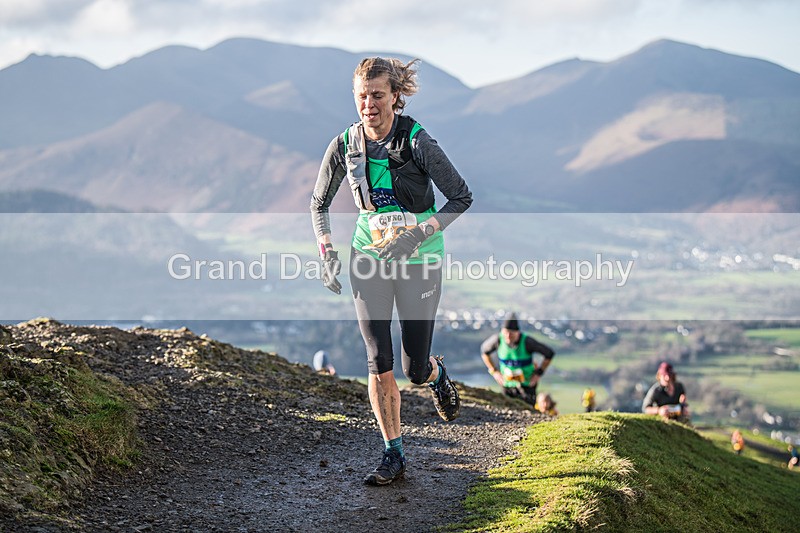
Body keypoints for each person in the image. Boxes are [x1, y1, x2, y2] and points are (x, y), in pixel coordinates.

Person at [310, 57, 473, 486]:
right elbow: (318, 203)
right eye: (361, 96)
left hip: (420, 259)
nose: (369, 105)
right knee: (377, 361)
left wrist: (418, 233)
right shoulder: (345, 144)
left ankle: (435, 374)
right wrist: (327, 249)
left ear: (395, 98)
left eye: (377, 95)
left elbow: (460, 197)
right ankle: (393, 453)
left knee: (412, 368)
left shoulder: (417, 141)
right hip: (369, 257)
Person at [480, 313, 556, 406]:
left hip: (527, 385)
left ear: (517, 332)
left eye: (511, 333)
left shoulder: (527, 342)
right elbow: (484, 352)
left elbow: (549, 353)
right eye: (505, 332)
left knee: (528, 412)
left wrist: (539, 373)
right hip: (507, 385)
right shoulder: (498, 340)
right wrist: (494, 371)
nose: (508, 336)